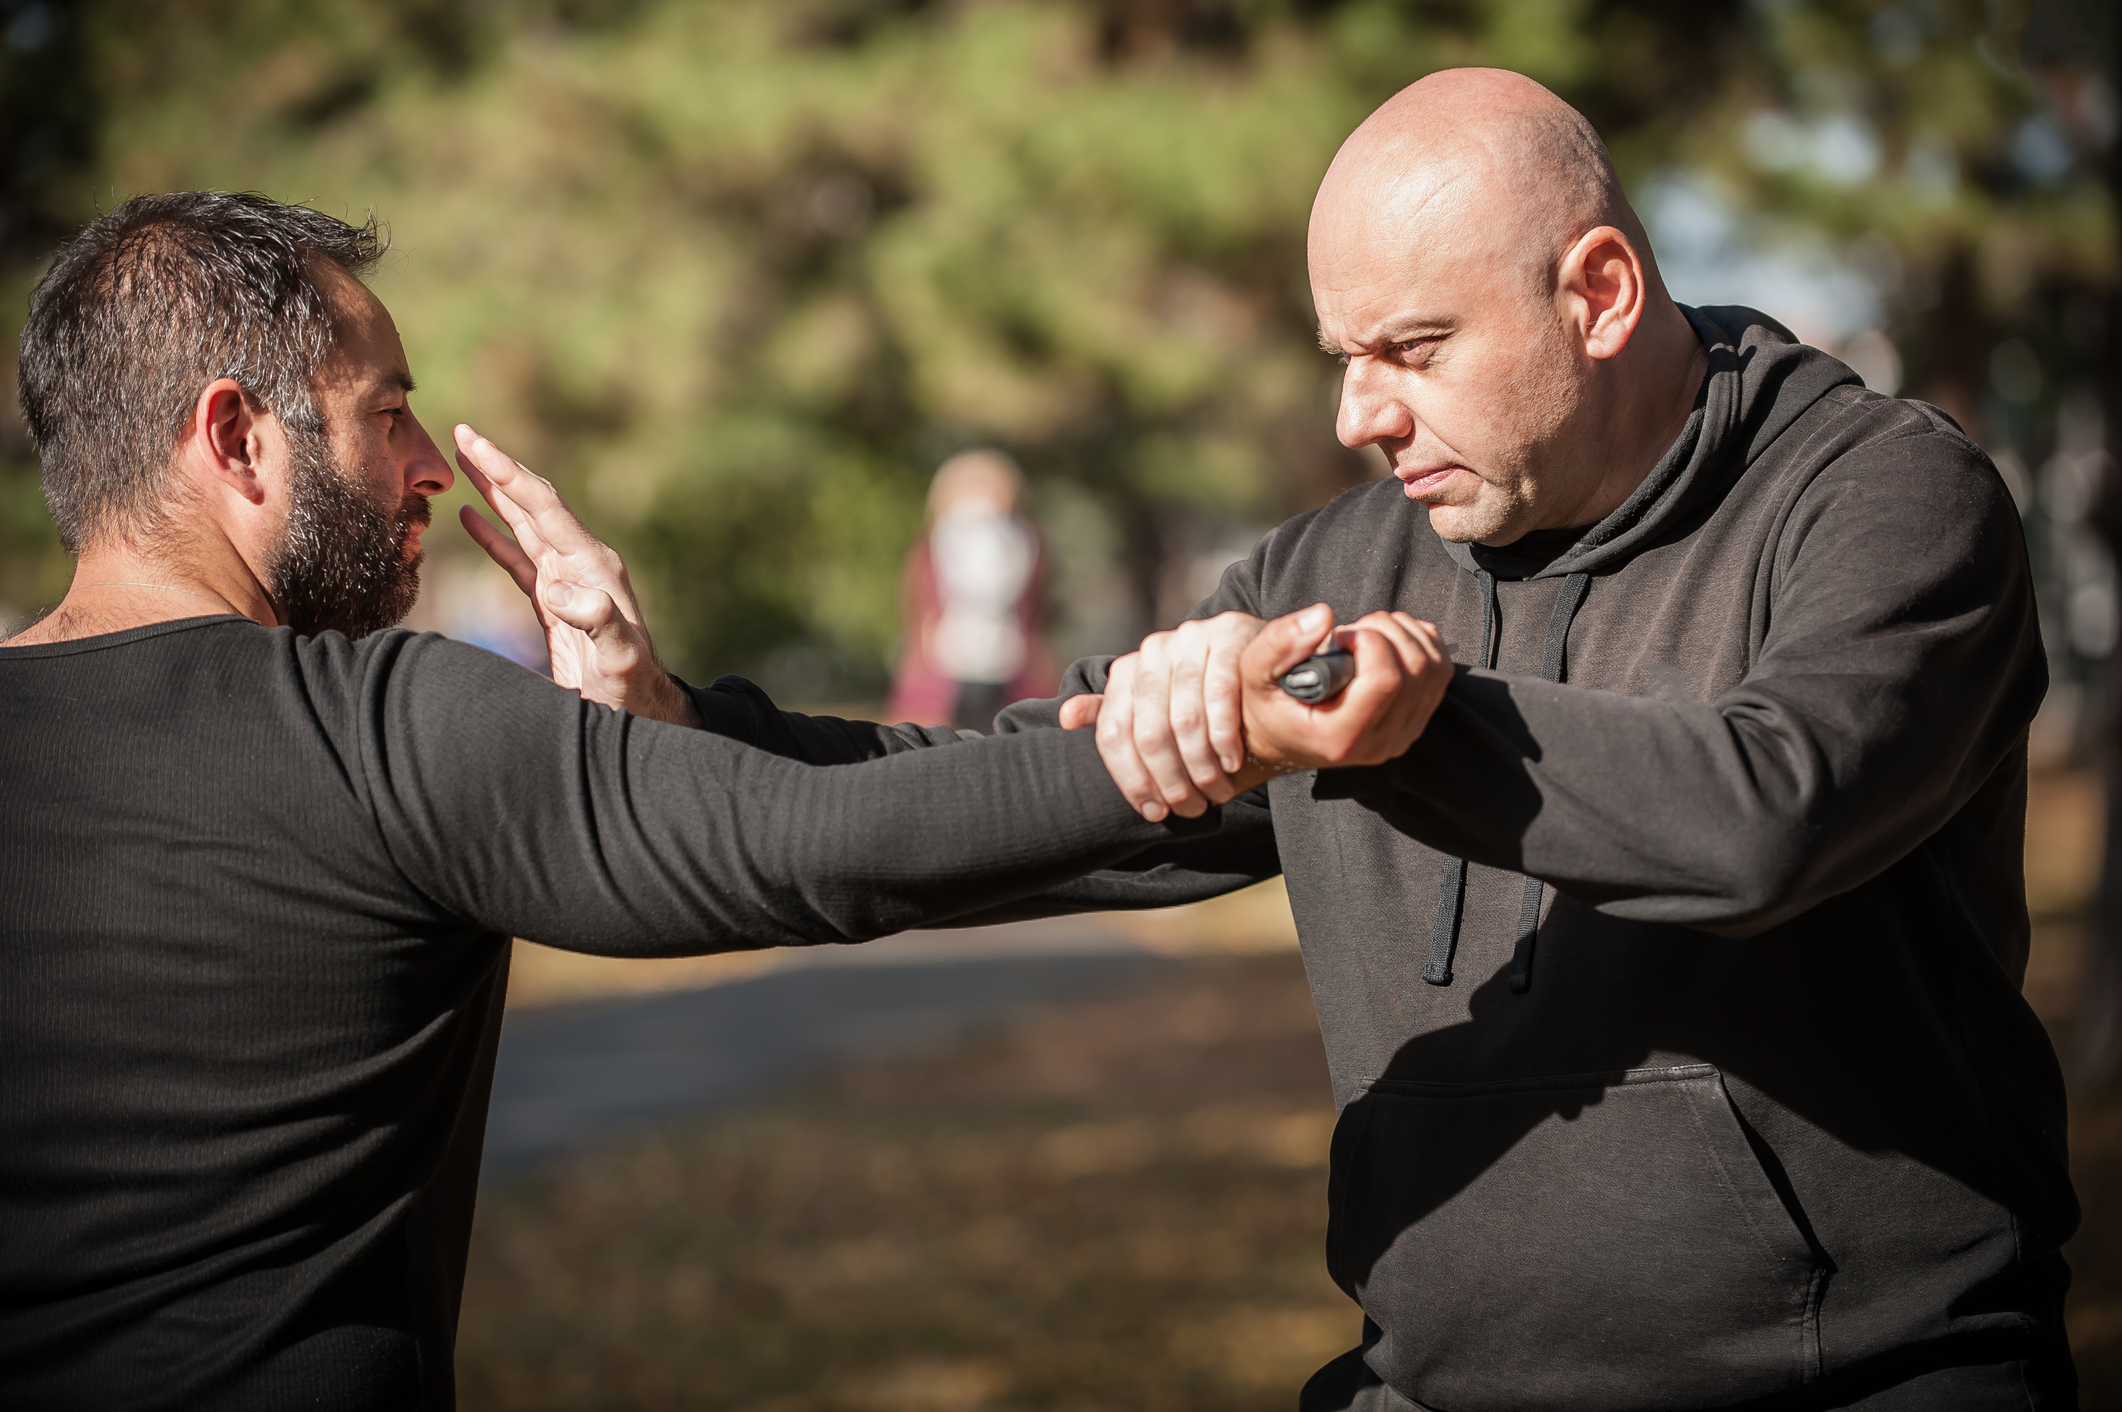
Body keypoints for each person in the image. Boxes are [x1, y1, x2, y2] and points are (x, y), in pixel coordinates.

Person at [560, 68, 2076, 1411]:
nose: (1359, 412)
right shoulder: (1320, 580)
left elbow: (1773, 812)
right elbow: (993, 799)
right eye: (1341, 353)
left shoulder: (1882, 500)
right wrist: (685, 729)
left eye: (1413, 347)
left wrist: (1403, 734)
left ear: (1599, 293)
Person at [0, 191, 1448, 1409]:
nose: (429, 464)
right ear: (239, 439)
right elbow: (813, 850)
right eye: (386, 415)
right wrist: (1210, 732)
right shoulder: (376, 730)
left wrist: (660, 722)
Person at [886, 447, 1055, 732]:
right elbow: (919, 602)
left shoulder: (1026, 545)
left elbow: (1036, 606)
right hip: (940, 662)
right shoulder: (930, 547)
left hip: (1012, 661)